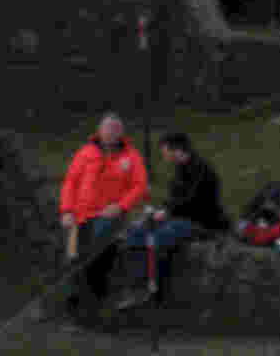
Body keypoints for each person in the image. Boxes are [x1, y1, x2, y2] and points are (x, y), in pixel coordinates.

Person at [115, 131, 231, 310]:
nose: (163, 155)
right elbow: (174, 200)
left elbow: (195, 204)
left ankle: (153, 287)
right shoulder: (180, 170)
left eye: (164, 150)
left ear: (176, 149)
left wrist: (167, 212)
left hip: (202, 222)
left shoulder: (203, 170)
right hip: (180, 218)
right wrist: (159, 211)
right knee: (136, 231)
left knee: (159, 237)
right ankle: (134, 286)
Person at [59, 113, 149, 319]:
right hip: (80, 216)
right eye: (107, 129)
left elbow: (140, 186)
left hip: (109, 216)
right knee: (73, 256)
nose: (111, 133)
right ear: (99, 131)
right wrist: (66, 211)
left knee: (96, 252)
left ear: (121, 133)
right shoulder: (85, 153)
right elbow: (70, 182)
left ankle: (92, 304)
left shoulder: (131, 156)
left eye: (115, 129)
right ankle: (75, 304)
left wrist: (120, 206)